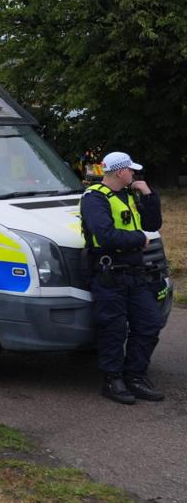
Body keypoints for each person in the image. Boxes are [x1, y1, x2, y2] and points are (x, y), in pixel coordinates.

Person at [80, 151, 166, 405]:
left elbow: (152, 223)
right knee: (113, 330)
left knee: (149, 324)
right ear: (120, 172)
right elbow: (105, 235)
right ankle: (113, 380)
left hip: (136, 274)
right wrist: (138, 240)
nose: (134, 174)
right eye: (131, 170)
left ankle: (136, 376)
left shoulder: (129, 195)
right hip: (110, 275)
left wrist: (148, 194)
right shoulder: (94, 198)